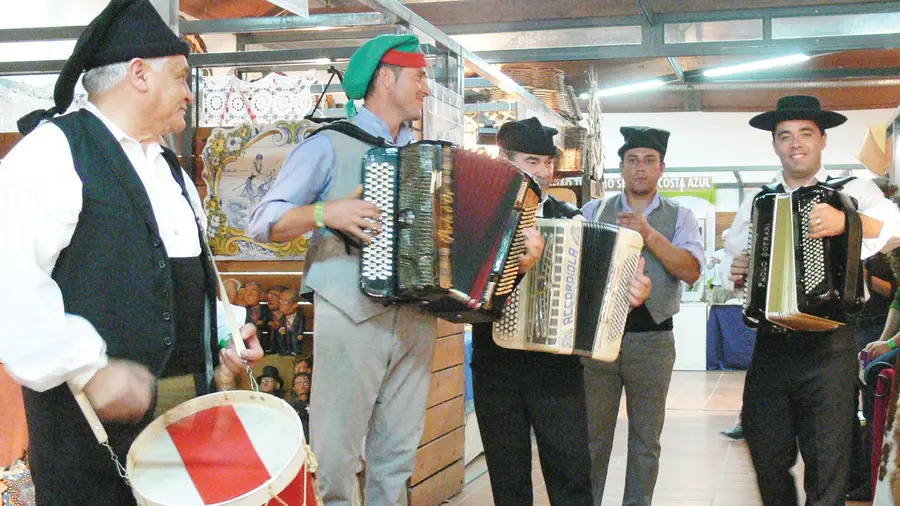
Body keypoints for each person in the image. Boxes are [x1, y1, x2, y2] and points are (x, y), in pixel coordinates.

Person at [247, 34, 543, 506]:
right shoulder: (328, 144)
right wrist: (325, 213)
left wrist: (513, 249)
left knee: (398, 456)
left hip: (416, 319)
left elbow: (466, 240)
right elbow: (263, 222)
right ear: (386, 78)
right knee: (337, 455)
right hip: (350, 315)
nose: (427, 88)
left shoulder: (431, 157)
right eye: (419, 76)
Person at [0, 1, 263, 504]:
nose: (190, 93)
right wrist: (91, 369)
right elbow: (8, 284)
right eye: (182, 77)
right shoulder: (51, 154)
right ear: (138, 74)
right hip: (89, 446)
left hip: (183, 427)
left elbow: (187, 282)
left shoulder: (171, 170)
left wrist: (228, 334)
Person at [725, 95, 900, 505]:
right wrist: (738, 272)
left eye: (805, 133)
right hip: (771, 347)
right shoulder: (759, 199)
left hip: (830, 346)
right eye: (784, 136)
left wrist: (848, 221)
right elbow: (733, 258)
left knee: (828, 463)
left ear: (822, 140)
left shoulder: (852, 189)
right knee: (766, 455)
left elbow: (895, 226)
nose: (795, 143)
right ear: (774, 145)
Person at [470, 117, 653, 506]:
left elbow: (600, 291)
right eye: (532, 160)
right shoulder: (482, 215)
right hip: (495, 361)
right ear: (505, 161)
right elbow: (471, 294)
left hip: (557, 365)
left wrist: (629, 292)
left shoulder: (571, 219)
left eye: (547, 162)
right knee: (508, 476)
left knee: (571, 473)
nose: (543, 171)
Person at [581, 126, 704, 506]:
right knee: (591, 440)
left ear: (661, 168)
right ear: (621, 167)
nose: (640, 168)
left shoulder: (681, 217)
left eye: (649, 161)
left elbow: (691, 270)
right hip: (598, 340)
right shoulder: (593, 210)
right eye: (632, 160)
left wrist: (648, 233)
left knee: (646, 441)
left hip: (653, 341)